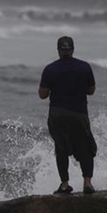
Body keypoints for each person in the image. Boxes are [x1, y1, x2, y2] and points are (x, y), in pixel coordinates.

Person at [38, 35, 97, 194]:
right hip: (79, 114)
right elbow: (91, 91)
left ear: (58, 50)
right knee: (85, 147)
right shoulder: (84, 67)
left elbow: (42, 94)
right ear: (72, 49)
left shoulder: (50, 69)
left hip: (58, 114)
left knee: (61, 149)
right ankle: (87, 183)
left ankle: (64, 185)